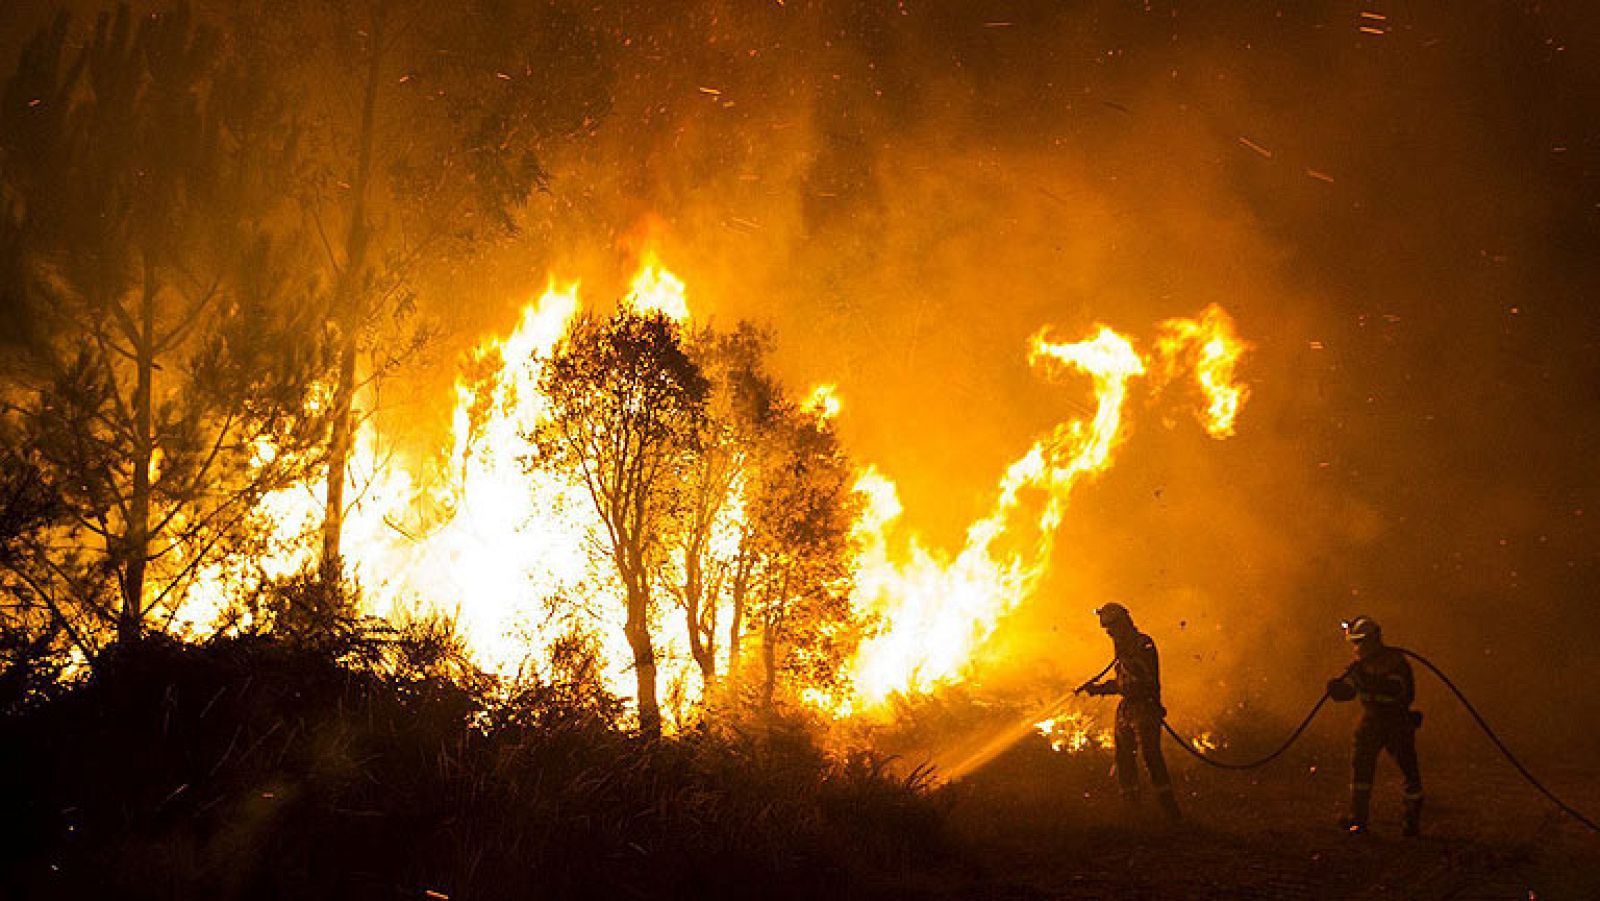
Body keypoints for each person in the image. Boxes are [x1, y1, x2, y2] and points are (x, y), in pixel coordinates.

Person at [1079, 602, 1181, 820]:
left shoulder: (1143, 645)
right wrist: (1097, 689)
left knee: (1151, 756)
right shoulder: (1123, 649)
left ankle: (1170, 811)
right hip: (1127, 708)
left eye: (1111, 628)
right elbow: (1121, 683)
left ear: (1122, 624)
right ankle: (1132, 810)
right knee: (1123, 757)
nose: (1109, 633)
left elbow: (1143, 680)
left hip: (1145, 707)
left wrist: (1127, 659)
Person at [1326, 615, 1424, 836]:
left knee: (1409, 770)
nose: (1357, 648)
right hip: (1371, 721)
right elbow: (1350, 691)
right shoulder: (1360, 668)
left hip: (1396, 722)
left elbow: (1397, 690)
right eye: (1355, 643)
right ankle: (1358, 820)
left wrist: (1363, 680)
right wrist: (1337, 690)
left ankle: (1411, 819)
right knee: (1361, 767)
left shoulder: (1395, 662)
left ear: (1373, 640)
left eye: (1360, 642)